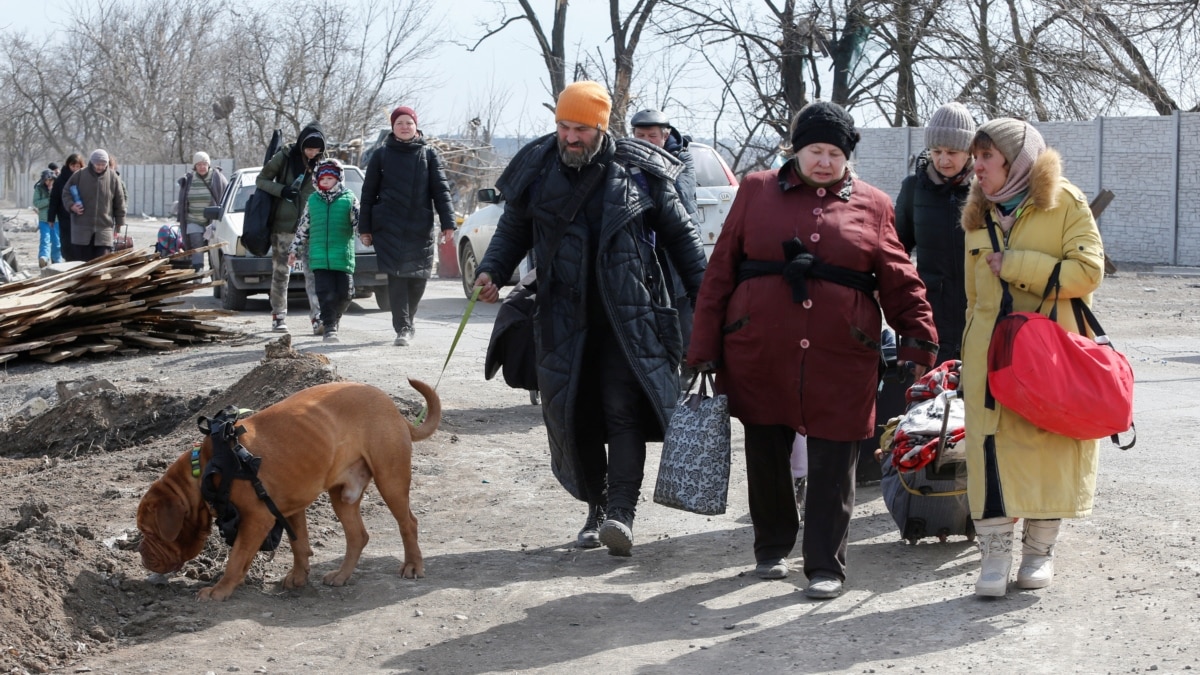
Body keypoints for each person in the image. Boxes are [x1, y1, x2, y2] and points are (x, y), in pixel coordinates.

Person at [686, 101, 937, 599]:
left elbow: (899, 278)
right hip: (760, 346)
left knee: (834, 460)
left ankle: (825, 564)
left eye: (834, 153)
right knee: (766, 451)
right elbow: (720, 273)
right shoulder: (756, 191)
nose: (824, 161)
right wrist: (703, 346)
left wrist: (917, 339)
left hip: (843, 352)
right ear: (794, 150)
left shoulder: (874, 203)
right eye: (814, 150)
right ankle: (773, 545)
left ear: (848, 157)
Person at [472, 81, 707, 557]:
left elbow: (685, 243)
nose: (570, 137)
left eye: (580, 128)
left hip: (629, 317)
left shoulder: (639, 171)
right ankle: (595, 510)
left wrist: (708, 305)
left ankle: (621, 512)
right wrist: (491, 269)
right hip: (561, 317)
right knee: (573, 417)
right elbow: (513, 229)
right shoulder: (538, 169)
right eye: (563, 126)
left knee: (622, 412)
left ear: (601, 127)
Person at [959, 118, 1104, 597]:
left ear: (1016, 161)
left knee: (1047, 450)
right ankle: (994, 560)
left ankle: (1038, 554)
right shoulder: (977, 214)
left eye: (986, 158)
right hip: (989, 356)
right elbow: (971, 297)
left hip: (1049, 356)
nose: (975, 167)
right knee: (989, 453)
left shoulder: (1065, 202)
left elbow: (1088, 272)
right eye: (975, 157)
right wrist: (964, 356)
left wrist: (1017, 266)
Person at [359, 106, 456, 346]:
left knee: (419, 278)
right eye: (399, 123)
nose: (404, 126)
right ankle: (402, 327)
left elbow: (441, 192)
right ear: (393, 127)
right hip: (388, 226)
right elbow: (368, 193)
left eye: (408, 123)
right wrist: (365, 228)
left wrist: (448, 223)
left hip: (419, 225)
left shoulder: (429, 154)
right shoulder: (381, 155)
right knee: (397, 277)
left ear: (416, 126)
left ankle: (408, 320)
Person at [895, 102, 976, 363]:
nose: (943, 159)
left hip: (977, 311)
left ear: (969, 151)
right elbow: (896, 248)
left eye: (952, 152)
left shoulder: (986, 192)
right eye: (936, 151)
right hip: (929, 313)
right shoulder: (913, 189)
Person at [630, 108, 700, 378]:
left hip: (676, 241)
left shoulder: (682, 158)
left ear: (666, 135)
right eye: (640, 135)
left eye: (652, 136)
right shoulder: (627, 158)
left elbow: (677, 197)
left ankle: (689, 360)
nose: (646, 141)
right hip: (645, 242)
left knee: (681, 302)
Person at [257, 123, 326, 333]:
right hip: (284, 226)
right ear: (301, 143)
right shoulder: (284, 157)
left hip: (312, 227)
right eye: (309, 149)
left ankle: (318, 318)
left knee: (314, 273)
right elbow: (262, 180)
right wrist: (283, 191)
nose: (312, 153)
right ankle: (278, 316)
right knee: (281, 273)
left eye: (317, 150)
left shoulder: (324, 163)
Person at [288, 159, 359, 344]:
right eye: (323, 178)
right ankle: (329, 328)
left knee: (346, 294)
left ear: (338, 179)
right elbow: (303, 228)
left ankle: (334, 319)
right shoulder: (312, 201)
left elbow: (359, 223)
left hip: (342, 257)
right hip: (319, 257)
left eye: (330, 178)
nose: (326, 181)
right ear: (317, 180)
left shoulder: (349, 198)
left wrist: (367, 237)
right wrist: (294, 250)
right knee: (325, 294)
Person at [62, 149, 127, 262]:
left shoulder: (113, 178)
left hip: (104, 230)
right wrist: (72, 206)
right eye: (97, 164)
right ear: (91, 162)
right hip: (82, 230)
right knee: (82, 266)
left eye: (103, 164)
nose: (100, 167)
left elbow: (119, 201)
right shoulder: (80, 175)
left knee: (101, 265)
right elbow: (66, 193)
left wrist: (119, 223)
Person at [176, 151, 229, 272]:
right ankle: (198, 272)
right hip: (193, 219)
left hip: (212, 221)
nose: (202, 167)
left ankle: (213, 271)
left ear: (208, 165)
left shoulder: (217, 177)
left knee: (212, 247)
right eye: (199, 164)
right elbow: (182, 200)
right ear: (195, 166)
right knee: (197, 245)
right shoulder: (189, 179)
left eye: (204, 164)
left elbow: (227, 195)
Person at [48, 154, 84, 262]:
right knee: (67, 241)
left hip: (82, 216)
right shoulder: (61, 180)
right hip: (65, 215)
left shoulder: (85, 178)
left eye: (78, 166)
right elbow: (54, 199)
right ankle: (69, 260)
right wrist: (51, 217)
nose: (75, 169)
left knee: (81, 243)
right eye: (73, 166)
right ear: (68, 165)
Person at [33, 170, 63, 267]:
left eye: (51, 180)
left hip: (56, 220)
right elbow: (37, 203)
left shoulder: (58, 188)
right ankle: (43, 258)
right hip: (44, 220)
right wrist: (49, 200)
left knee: (56, 241)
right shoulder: (39, 188)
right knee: (45, 240)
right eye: (47, 180)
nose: (49, 183)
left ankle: (56, 260)